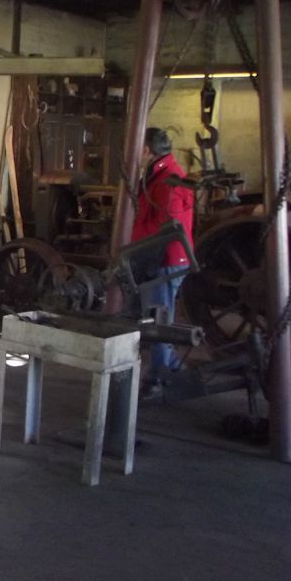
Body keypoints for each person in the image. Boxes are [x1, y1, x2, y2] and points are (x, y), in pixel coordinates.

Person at [130, 127, 194, 392]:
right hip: (167, 257)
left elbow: (167, 225)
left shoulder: (169, 179)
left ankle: (157, 378)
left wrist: (130, 241)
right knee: (159, 317)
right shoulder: (161, 175)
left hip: (166, 259)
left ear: (146, 150)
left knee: (157, 323)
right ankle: (173, 367)